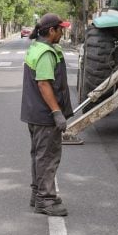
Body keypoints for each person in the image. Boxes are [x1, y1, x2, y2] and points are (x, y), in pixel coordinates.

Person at [20, 13, 73, 216]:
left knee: (39, 156)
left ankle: (38, 194)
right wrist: (57, 113)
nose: (63, 32)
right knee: (48, 157)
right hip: (45, 116)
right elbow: (44, 83)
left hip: (34, 113)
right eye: (61, 29)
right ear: (51, 31)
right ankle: (45, 200)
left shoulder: (37, 48)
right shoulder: (45, 53)